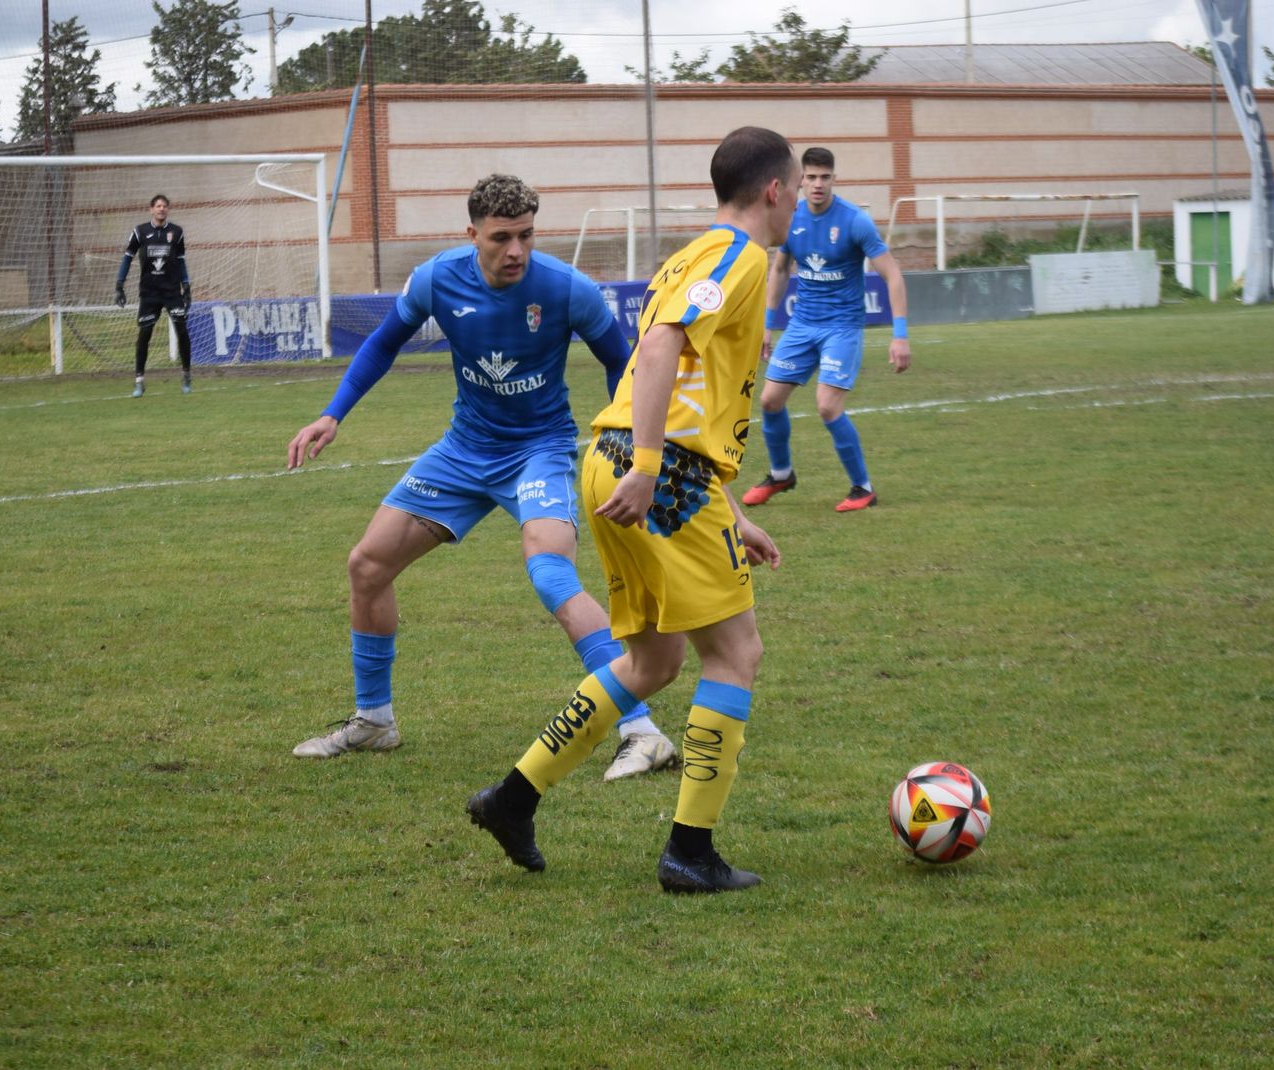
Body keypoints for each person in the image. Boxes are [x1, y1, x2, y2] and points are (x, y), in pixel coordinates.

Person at [466, 127, 799, 894]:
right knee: (735, 654)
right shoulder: (738, 258)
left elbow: (680, 382)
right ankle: (690, 851)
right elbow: (657, 354)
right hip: (655, 471)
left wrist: (725, 509)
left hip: (621, 463)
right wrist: (653, 468)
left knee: (654, 661)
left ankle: (514, 799)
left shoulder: (690, 254)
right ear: (775, 190)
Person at [284, 174, 678, 781]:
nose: (516, 250)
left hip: (539, 451)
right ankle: (375, 720)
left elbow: (622, 367)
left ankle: (641, 729)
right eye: (501, 238)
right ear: (472, 235)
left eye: (525, 235)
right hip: (464, 451)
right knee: (366, 566)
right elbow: (383, 343)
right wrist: (332, 414)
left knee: (550, 574)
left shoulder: (568, 289)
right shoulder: (437, 279)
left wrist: (629, 454)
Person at [742, 147, 912, 513]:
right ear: (800, 181)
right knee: (770, 401)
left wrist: (899, 334)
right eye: (811, 177)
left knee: (827, 407)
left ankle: (862, 488)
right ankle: (781, 473)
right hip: (802, 325)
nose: (818, 184)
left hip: (842, 328)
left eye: (825, 177)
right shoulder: (792, 218)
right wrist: (767, 326)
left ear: (835, 179)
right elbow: (780, 270)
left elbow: (893, 275)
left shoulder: (854, 221)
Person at [115, 194, 193, 397]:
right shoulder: (140, 232)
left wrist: (187, 287)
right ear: (151, 209)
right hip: (149, 293)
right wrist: (119, 285)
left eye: (165, 206)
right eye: (158, 206)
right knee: (144, 335)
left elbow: (182, 260)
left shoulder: (176, 232)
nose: (161, 209)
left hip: (172, 292)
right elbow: (127, 259)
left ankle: (186, 375)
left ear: (168, 210)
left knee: (182, 331)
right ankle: (139, 381)